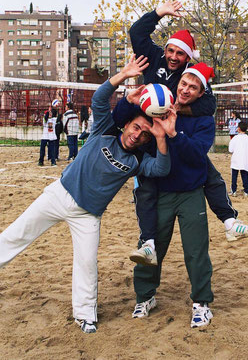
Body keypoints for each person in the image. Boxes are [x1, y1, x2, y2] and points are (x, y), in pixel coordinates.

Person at [0, 55, 171, 335]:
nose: (137, 135)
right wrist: (122, 75)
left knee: (87, 264)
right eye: (136, 127)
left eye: (144, 134)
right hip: (58, 195)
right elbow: (100, 100)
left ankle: (85, 316)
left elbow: (162, 168)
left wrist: (161, 136)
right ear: (127, 125)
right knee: (16, 235)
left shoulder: (137, 161)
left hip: (87, 215)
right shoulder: (104, 131)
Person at [126, 0, 248, 245]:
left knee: (209, 173)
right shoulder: (155, 56)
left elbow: (209, 105)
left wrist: (180, 108)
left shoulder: (190, 75)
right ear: (165, 49)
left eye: (180, 53)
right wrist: (160, 13)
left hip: (172, 133)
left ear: (187, 58)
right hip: (148, 133)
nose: (174, 57)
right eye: (171, 51)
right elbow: (136, 32)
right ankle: (147, 242)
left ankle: (230, 222)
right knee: (145, 186)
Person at [117, 64, 215, 327]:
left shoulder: (204, 120)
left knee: (196, 250)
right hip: (160, 192)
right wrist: (129, 100)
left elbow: (197, 156)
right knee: (152, 247)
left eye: (193, 87)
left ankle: (201, 303)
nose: (185, 89)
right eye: (184, 83)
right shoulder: (159, 103)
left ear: (200, 93)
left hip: (191, 192)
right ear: (178, 82)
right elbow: (123, 118)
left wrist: (173, 133)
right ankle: (145, 297)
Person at [228, 122, 248, 199]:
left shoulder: (235, 138)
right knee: (245, 175)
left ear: (238, 128)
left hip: (235, 159)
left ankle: (234, 191)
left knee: (234, 176)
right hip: (244, 160)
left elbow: (230, 150)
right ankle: (246, 191)